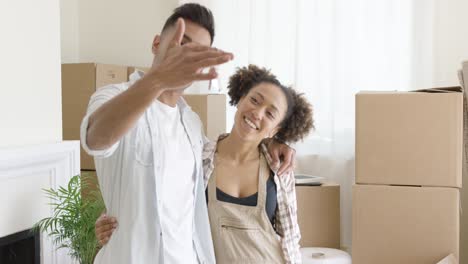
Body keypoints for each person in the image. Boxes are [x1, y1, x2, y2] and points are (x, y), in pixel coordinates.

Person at [81, 3, 296, 264]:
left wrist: (273, 141)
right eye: (181, 44)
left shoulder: (193, 125)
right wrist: (157, 79)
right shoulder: (111, 97)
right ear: (156, 44)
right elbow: (96, 138)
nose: (186, 57)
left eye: (197, 54)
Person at [96, 65, 314, 263]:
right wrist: (115, 218)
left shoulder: (279, 170)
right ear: (240, 99)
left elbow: (291, 239)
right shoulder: (198, 157)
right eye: (254, 100)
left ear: (275, 130)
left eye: (270, 113)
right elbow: (161, 202)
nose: (257, 113)